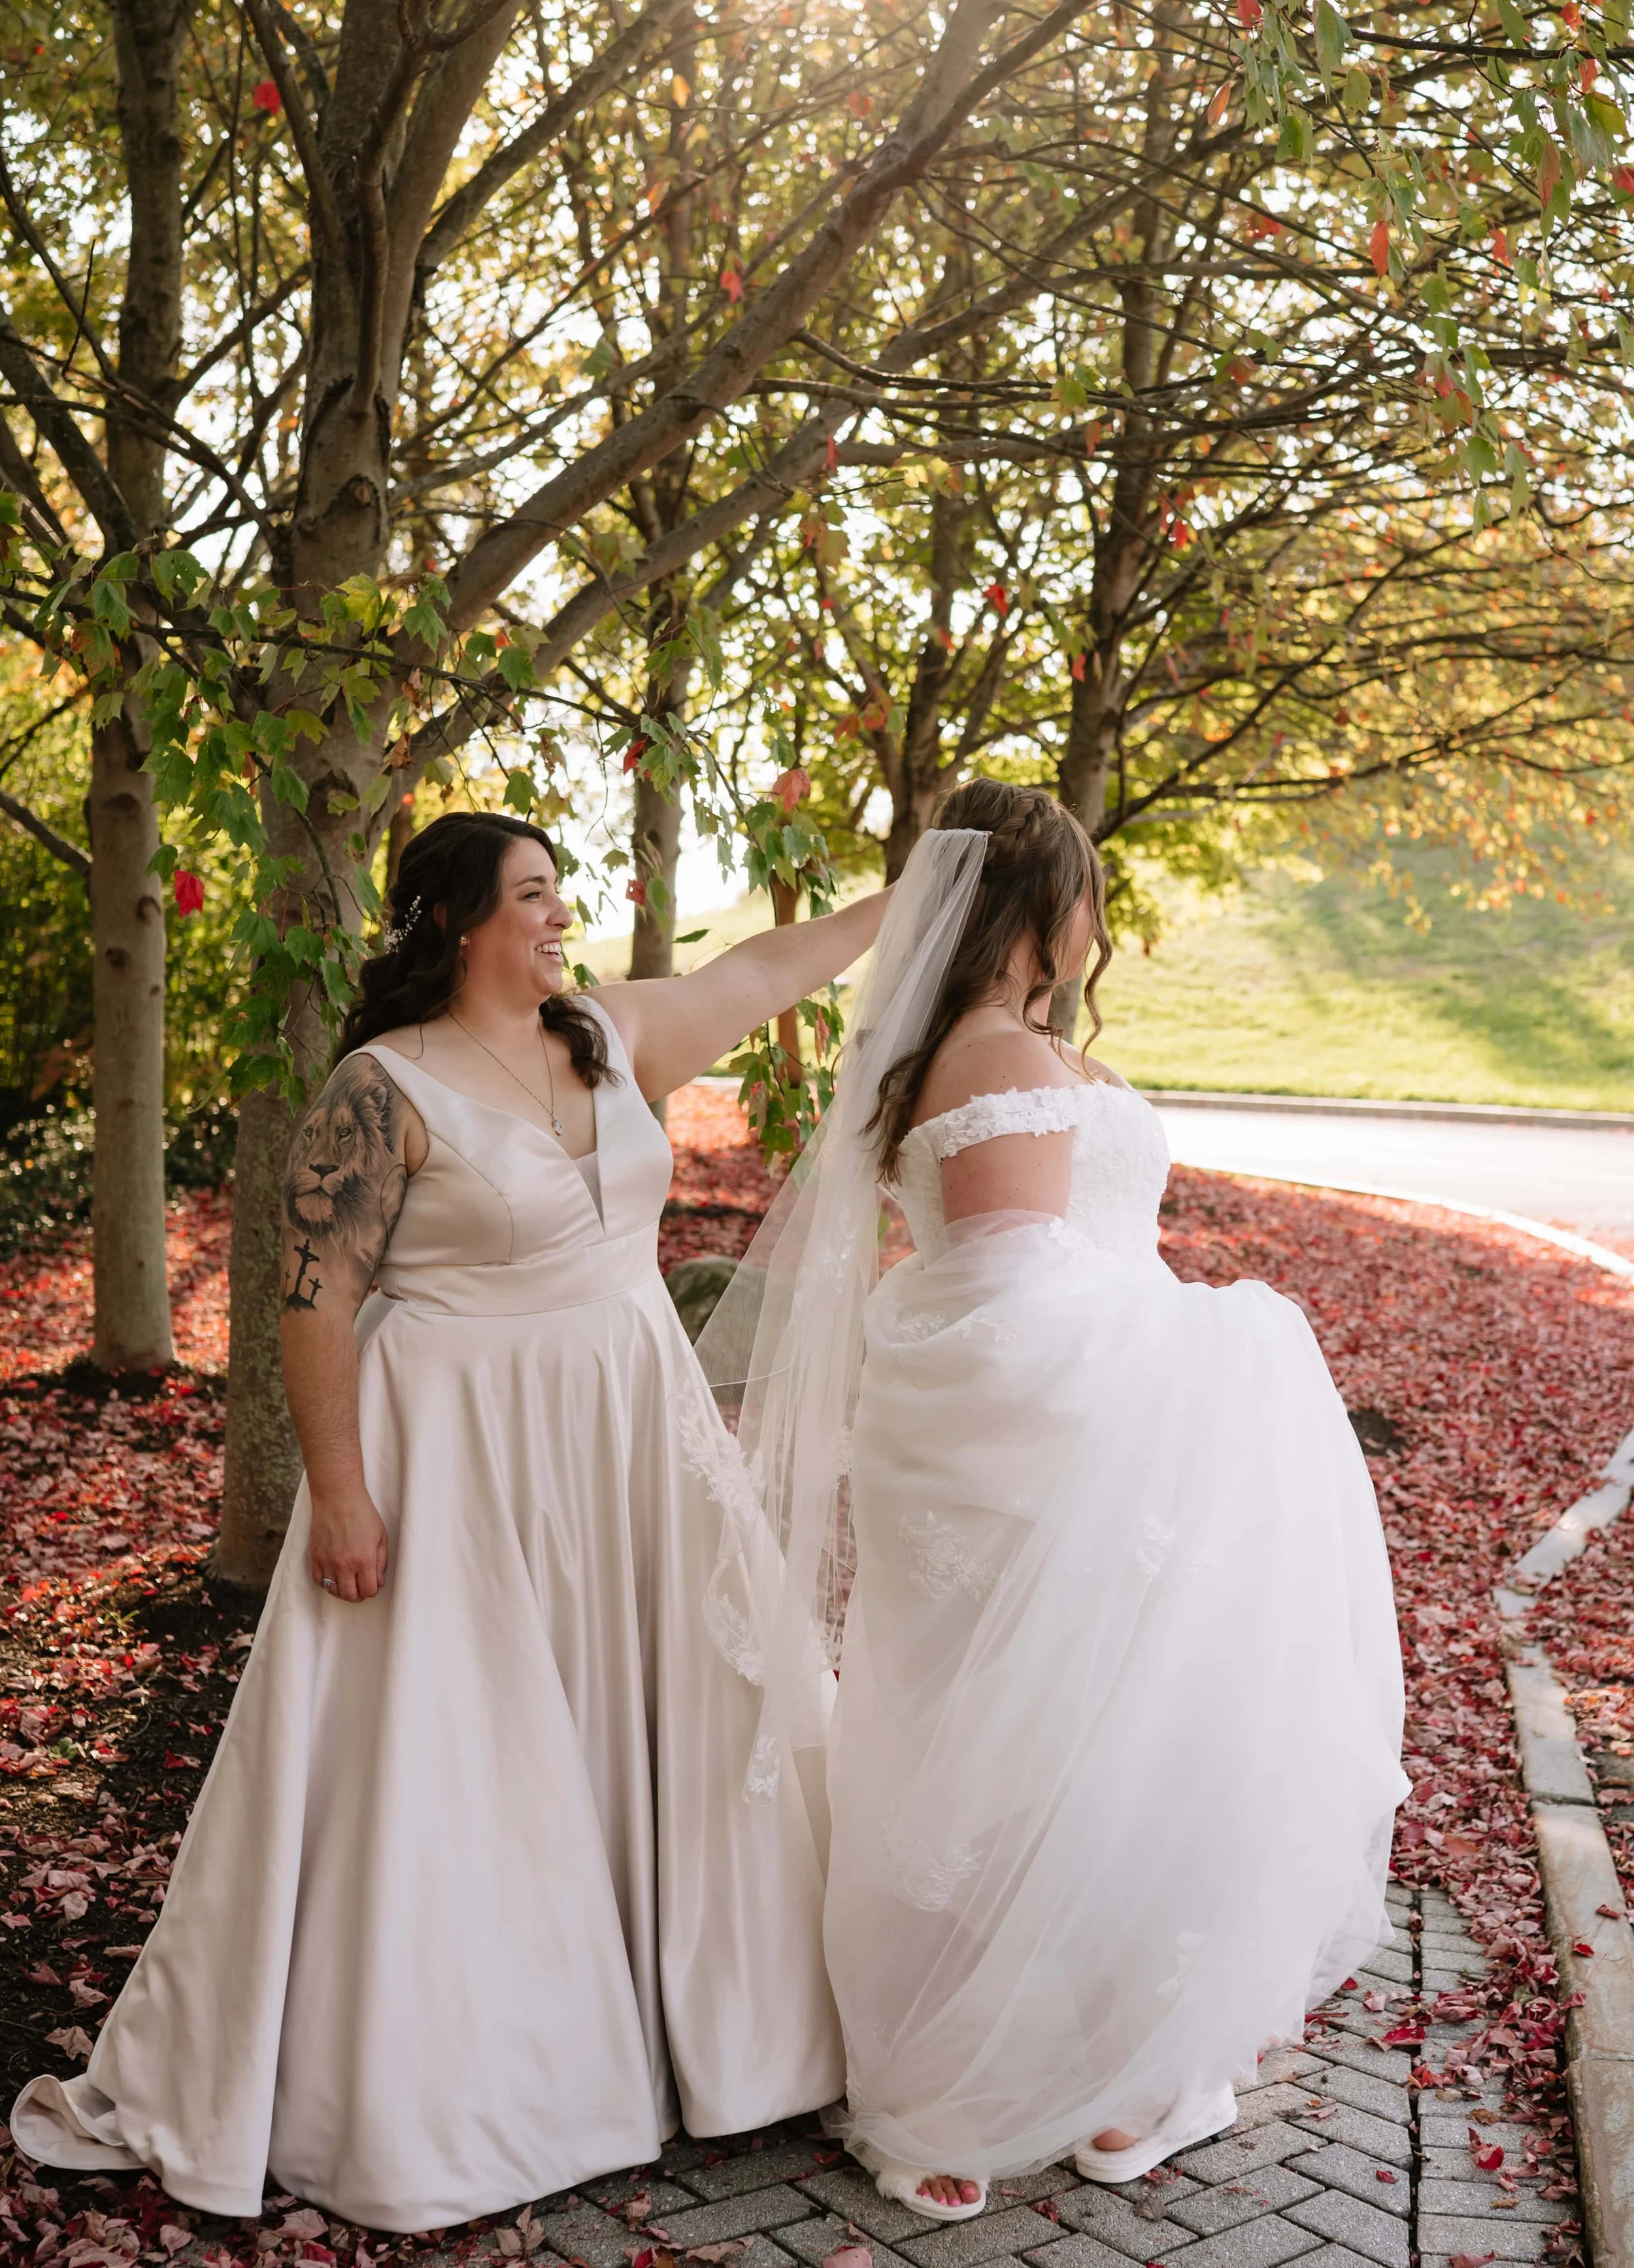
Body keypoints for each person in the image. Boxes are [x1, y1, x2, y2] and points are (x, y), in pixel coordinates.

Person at [12, 810, 883, 2231]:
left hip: (629, 1429)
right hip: (461, 1448)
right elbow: (313, 1299)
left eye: (558, 893)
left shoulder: (605, 1037)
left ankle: (715, 2036)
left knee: (688, 1706)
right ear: (459, 923)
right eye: (532, 896)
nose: (558, 916)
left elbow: (770, 965)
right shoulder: (382, 1087)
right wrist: (341, 1491)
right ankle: (506, 2076)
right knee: (471, 1745)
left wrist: (905, 898)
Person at [697, 782, 1407, 2225]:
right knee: (1074, 1746)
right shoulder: (997, 1055)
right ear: (1037, 908)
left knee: (980, 1751)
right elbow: (1016, 1292)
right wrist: (1228, 1346)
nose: (1099, 921)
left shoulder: (953, 1047)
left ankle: (1021, 2070)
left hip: (1008, 1442)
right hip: (1043, 1441)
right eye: (1087, 892)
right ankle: (1057, 2076)